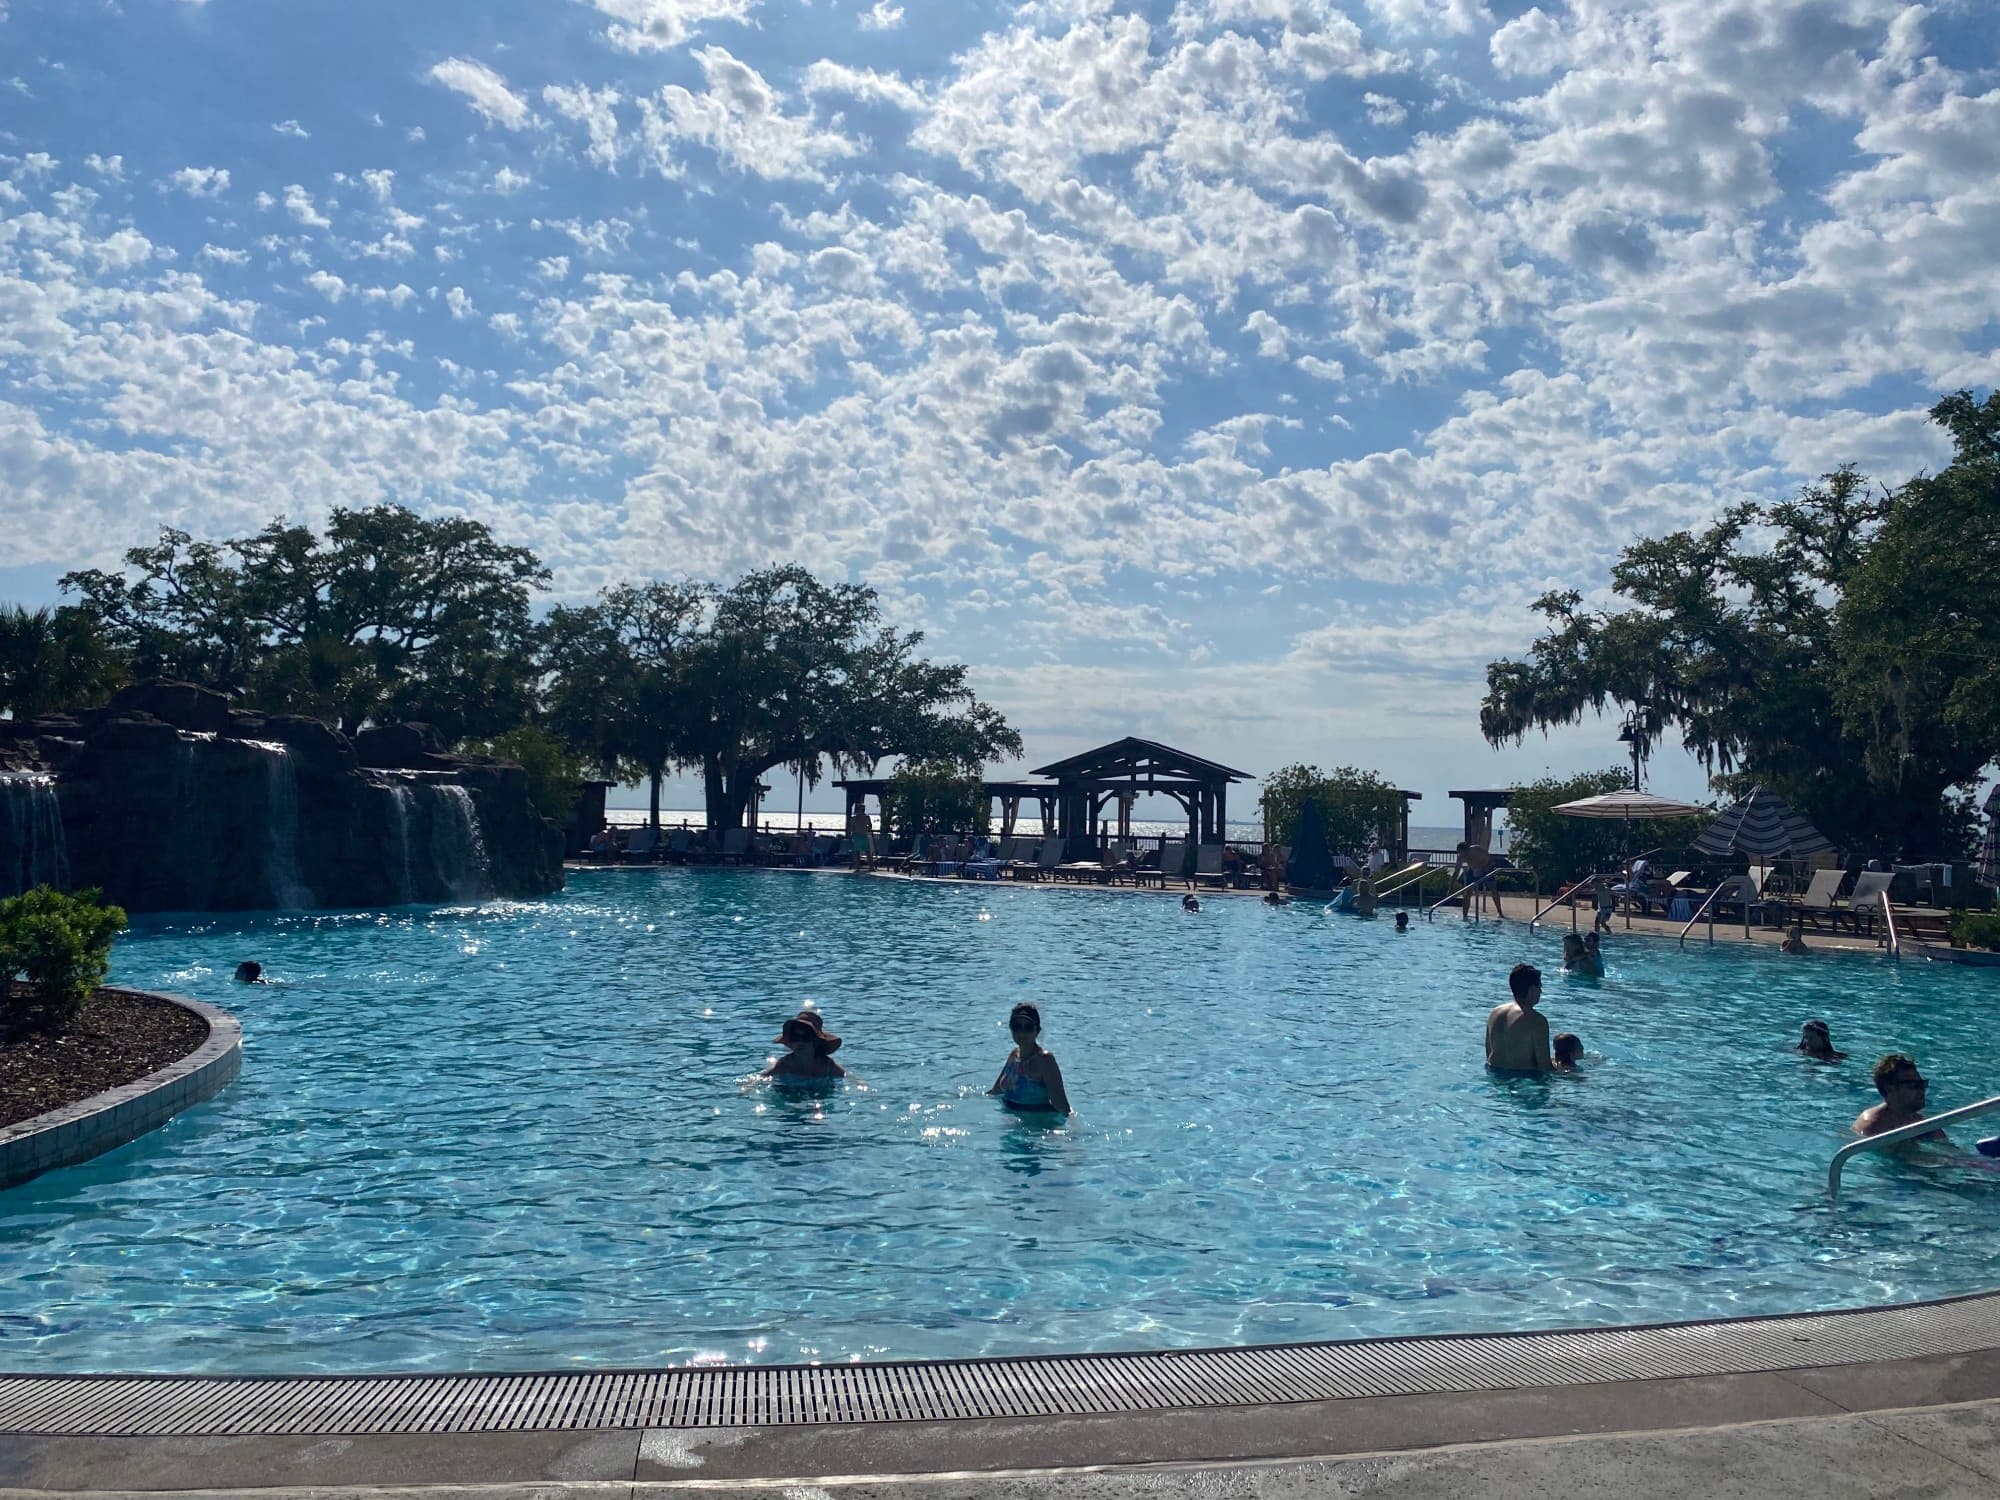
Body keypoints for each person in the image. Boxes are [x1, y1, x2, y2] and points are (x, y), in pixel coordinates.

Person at [989, 1002, 1072, 1115]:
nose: (1021, 1032)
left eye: (1027, 1027)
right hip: (1012, 1122)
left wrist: (1072, 1124)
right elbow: (994, 1092)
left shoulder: (1045, 1060)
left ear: (1037, 1031)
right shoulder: (1014, 1055)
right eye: (1016, 1026)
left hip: (1037, 1124)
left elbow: (1063, 1106)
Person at [1855, 1053, 1943, 1140]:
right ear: (1890, 1089)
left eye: (1922, 1084)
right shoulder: (1872, 1126)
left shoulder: (1920, 1123)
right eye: (1913, 1085)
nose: (1921, 1089)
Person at [1485, 963, 1552, 1074]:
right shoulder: (1536, 1020)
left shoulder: (1495, 1013)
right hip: (1523, 1077)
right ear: (1532, 989)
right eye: (1539, 987)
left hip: (1494, 1073)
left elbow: (1488, 1052)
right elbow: (1544, 1066)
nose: (1541, 991)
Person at [763, 1010, 846, 1083]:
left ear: (816, 1041)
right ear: (790, 1041)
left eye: (806, 1037)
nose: (800, 1042)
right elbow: (762, 1077)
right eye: (795, 1037)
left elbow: (848, 1078)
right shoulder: (786, 1064)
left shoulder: (827, 1065)